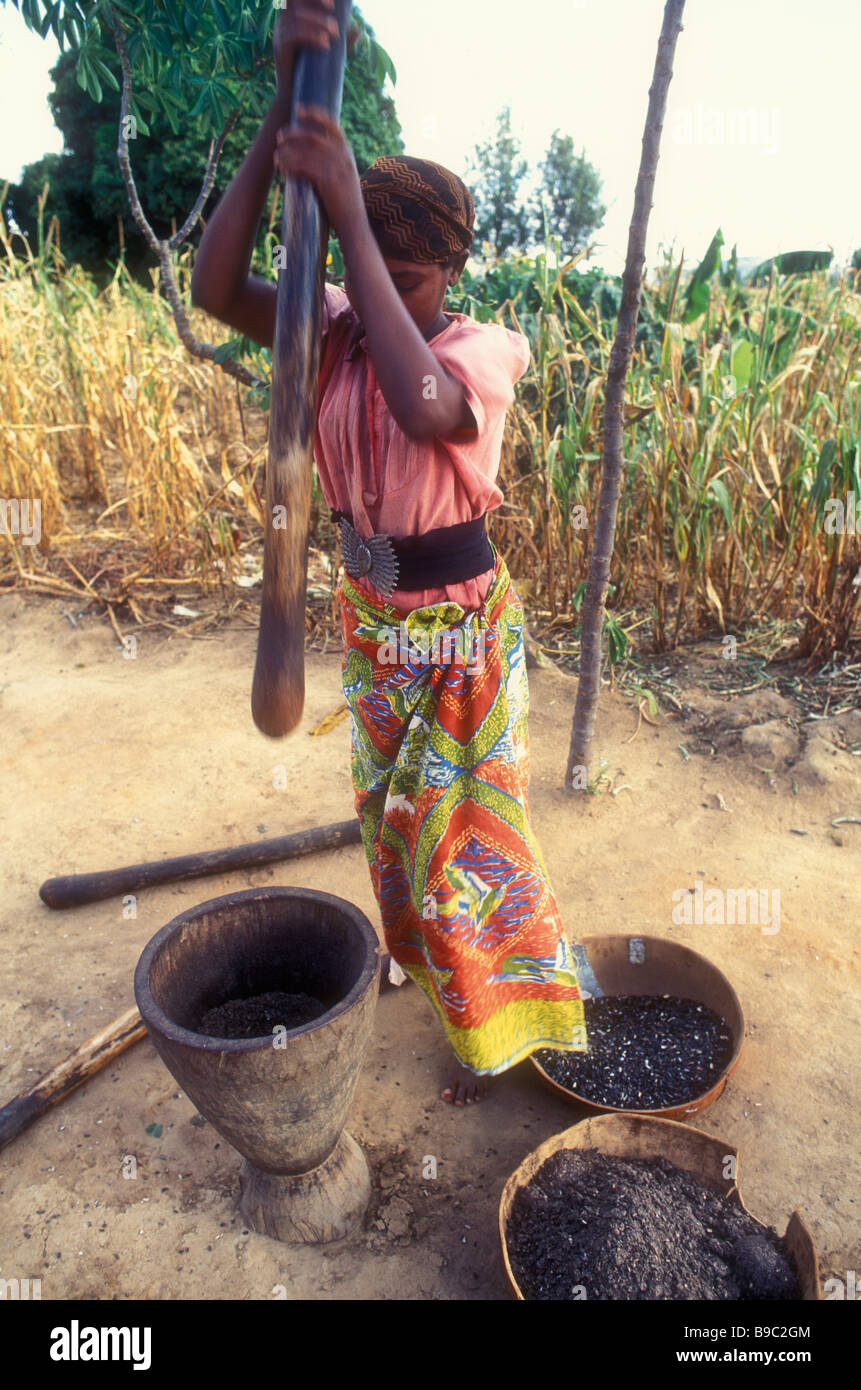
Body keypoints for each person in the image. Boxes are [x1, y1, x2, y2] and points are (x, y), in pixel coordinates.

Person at [191, 0, 587, 1106]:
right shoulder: (329, 338)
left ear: (444, 276)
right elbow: (215, 291)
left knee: (467, 846)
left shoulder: (474, 354)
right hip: (376, 627)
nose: (381, 299)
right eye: (373, 272)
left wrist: (352, 226)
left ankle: (507, 1032)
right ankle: (443, 991)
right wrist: (285, 108)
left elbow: (424, 412)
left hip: (459, 634)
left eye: (405, 280)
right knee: (398, 832)